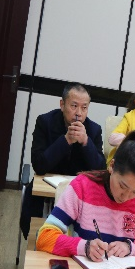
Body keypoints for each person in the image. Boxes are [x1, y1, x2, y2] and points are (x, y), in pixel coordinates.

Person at [36, 130, 135, 260]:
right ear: (112, 166)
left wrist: (131, 249)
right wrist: (84, 247)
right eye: (122, 186)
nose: (125, 197)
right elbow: (44, 237)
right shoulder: (82, 187)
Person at [21, 83, 105, 238]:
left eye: (84, 108)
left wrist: (86, 142)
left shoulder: (94, 130)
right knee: (35, 229)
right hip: (46, 188)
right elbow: (39, 165)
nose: (79, 113)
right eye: (74, 106)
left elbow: (100, 170)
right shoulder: (45, 122)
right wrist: (66, 140)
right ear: (62, 104)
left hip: (80, 193)